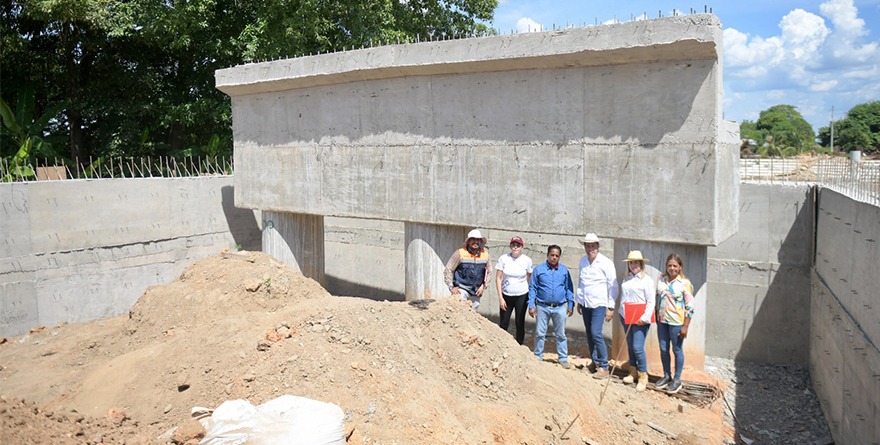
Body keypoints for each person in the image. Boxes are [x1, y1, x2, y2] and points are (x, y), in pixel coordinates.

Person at [574, 233, 618, 379]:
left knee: (596, 333)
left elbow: (613, 286)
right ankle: (595, 361)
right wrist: (579, 301)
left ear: (598, 247)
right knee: (589, 333)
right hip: (586, 303)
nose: (590, 248)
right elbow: (581, 282)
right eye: (588, 246)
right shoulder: (583, 261)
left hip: (599, 303)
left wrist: (611, 307)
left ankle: (604, 366)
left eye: (593, 246)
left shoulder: (606, 263)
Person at [528, 245, 574, 369]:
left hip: (559, 307)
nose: (554, 258)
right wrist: (531, 305)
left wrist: (570, 304)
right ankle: (538, 356)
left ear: (559, 257)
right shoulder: (539, 269)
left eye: (557, 256)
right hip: (542, 306)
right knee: (539, 333)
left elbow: (569, 288)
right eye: (552, 255)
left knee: (561, 334)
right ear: (548, 255)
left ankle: (563, 358)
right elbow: (532, 288)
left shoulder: (564, 271)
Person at [655, 253, 695, 394]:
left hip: (677, 322)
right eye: (669, 265)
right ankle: (667, 376)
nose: (672, 268)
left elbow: (690, 307)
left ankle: (677, 380)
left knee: (677, 350)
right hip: (662, 321)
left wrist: (685, 326)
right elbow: (658, 297)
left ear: (680, 267)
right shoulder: (662, 279)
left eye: (675, 266)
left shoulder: (685, 283)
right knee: (663, 349)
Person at [618, 250, 656, 392]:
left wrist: (645, 318)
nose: (633, 265)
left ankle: (643, 375)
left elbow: (650, 301)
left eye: (636, 262)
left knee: (638, 347)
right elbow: (624, 298)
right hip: (627, 317)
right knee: (630, 345)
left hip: (641, 319)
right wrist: (621, 314)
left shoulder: (647, 280)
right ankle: (632, 371)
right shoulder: (626, 279)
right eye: (631, 263)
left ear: (641, 264)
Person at [495, 236, 533, 344]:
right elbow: (498, 278)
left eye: (518, 245)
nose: (515, 247)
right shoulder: (503, 258)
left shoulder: (527, 260)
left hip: (521, 295)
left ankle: (519, 346)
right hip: (506, 295)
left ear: (522, 247)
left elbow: (530, 278)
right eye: (513, 245)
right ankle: (502, 344)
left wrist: (531, 297)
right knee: (504, 322)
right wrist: (501, 298)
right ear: (510, 246)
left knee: (519, 322)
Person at [444, 229, 492, 311]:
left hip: (476, 291)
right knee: (460, 312)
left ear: (481, 242)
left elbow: (489, 273)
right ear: (468, 241)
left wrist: (482, 288)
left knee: (473, 315)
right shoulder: (460, 253)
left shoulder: (485, 255)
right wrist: (451, 287)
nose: (475, 242)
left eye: (478, 240)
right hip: (461, 289)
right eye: (473, 239)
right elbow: (448, 269)